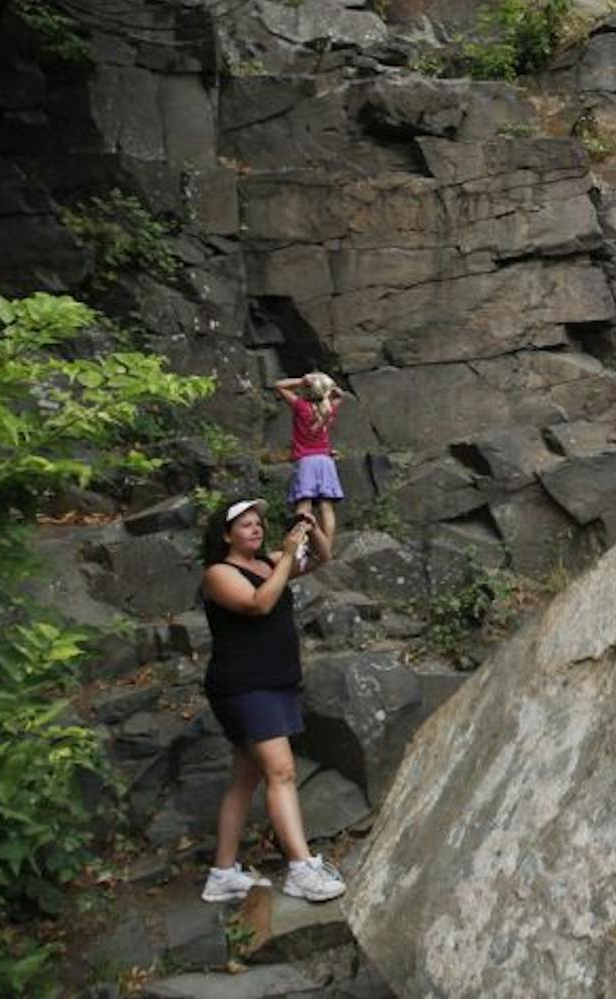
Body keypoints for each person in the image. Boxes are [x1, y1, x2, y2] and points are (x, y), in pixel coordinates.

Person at [196, 497, 346, 904]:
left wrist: (308, 527)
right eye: (245, 524)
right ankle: (300, 869)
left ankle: (222, 874)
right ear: (226, 535)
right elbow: (257, 604)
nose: (256, 529)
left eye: (258, 523)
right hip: (243, 687)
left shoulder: (270, 563)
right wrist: (284, 558)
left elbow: (322, 557)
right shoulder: (218, 574)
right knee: (280, 771)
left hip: (273, 683)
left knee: (245, 778)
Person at [273, 371, 345, 559]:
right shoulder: (328, 408)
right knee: (326, 506)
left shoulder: (301, 406)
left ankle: (297, 548)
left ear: (306, 389)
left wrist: (301, 379)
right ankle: (326, 548)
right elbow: (340, 394)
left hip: (306, 462)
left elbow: (279, 385)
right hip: (326, 461)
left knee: (304, 505)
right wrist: (327, 388)